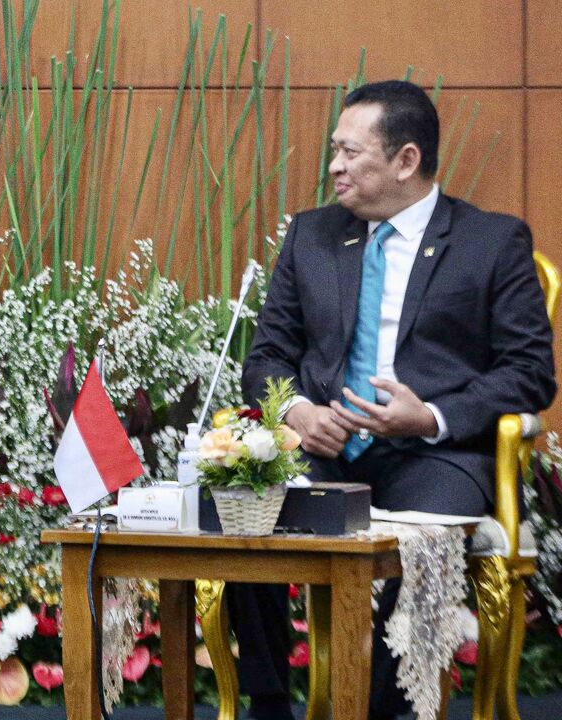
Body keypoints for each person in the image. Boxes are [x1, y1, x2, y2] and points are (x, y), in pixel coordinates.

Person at [232, 80, 556, 720]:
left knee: (422, 540)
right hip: (324, 449)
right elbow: (266, 355)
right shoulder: (313, 234)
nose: (334, 167)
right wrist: (298, 412)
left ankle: (376, 712)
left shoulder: (492, 242)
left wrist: (430, 416)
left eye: (351, 153)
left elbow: (529, 373)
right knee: (243, 509)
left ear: (406, 160)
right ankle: (268, 704)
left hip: (433, 458)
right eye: (335, 150)